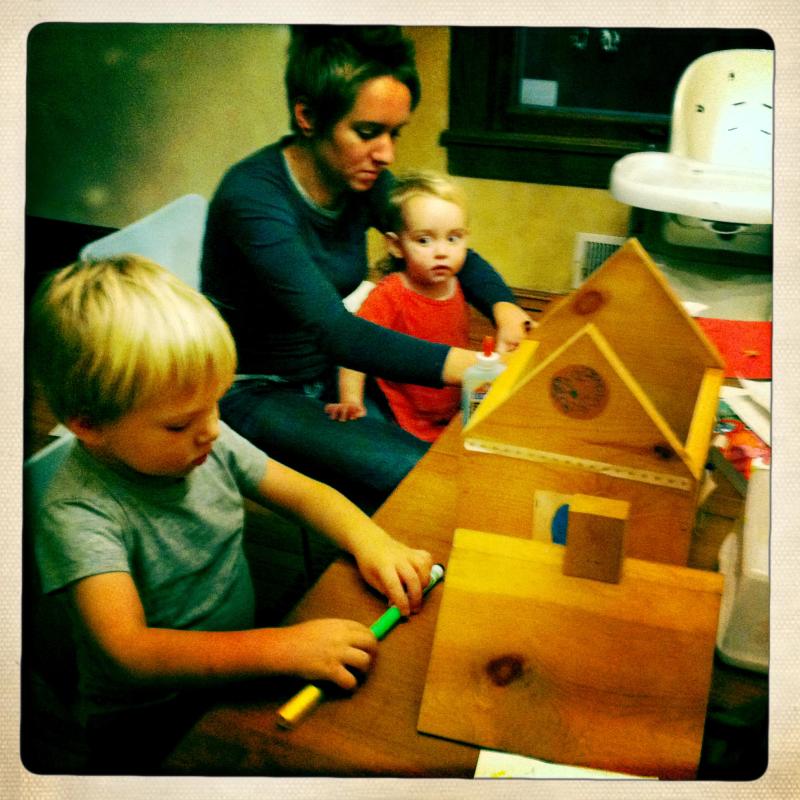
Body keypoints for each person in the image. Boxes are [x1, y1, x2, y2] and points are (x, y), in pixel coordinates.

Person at [28, 255, 433, 773]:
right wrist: (280, 649)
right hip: (151, 720)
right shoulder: (79, 512)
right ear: (88, 425)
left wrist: (373, 542)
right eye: (179, 424)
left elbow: (304, 493)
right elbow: (128, 653)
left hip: (242, 663)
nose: (212, 430)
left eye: (215, 403)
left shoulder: (202, 436)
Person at [201, 25, 531, 512]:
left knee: (454, 447)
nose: (387, 155)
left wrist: (504, 306)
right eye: (367, 132)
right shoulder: (253, 198)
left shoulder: (361, 178)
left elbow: (439, 240)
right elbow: (337, 332)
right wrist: (475, 368)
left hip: (328, 371)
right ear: (308, 116)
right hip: (256, 389)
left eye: (395, 133)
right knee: (425, 477)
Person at [325, 171, 474, 442]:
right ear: (396, 245)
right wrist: (351, 400)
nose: (442, 252)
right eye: (424, 240)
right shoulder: (391, 294)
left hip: (449, 407)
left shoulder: (456, 282)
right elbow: (355, 347)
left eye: (453, 238)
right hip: (402, 414)